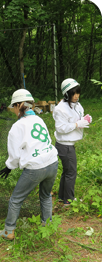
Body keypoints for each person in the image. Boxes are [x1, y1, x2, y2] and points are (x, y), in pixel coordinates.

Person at [0, 89, 59, 240]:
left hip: (35, 168)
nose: (13, 110)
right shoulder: (39, 119)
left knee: (16, 199)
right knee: (45, 196)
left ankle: (8, 231)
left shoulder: (17, 127)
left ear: (19, 105)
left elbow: (14, 154)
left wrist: (9, 167)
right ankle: (48, 226)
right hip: (52, 162)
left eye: (14, 106)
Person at [53, 78, 91, 206]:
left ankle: (61, 197)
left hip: (69, 145)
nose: (76, 96)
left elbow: (78, 117)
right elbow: (60, 128)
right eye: (73, 94)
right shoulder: (60, 109)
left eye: (78, 93)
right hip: (65, 146)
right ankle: (68, 201)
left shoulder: (77, 105)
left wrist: (85, 119)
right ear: (66, 94)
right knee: (71, 173)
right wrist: (76, 124)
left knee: (67, 172)